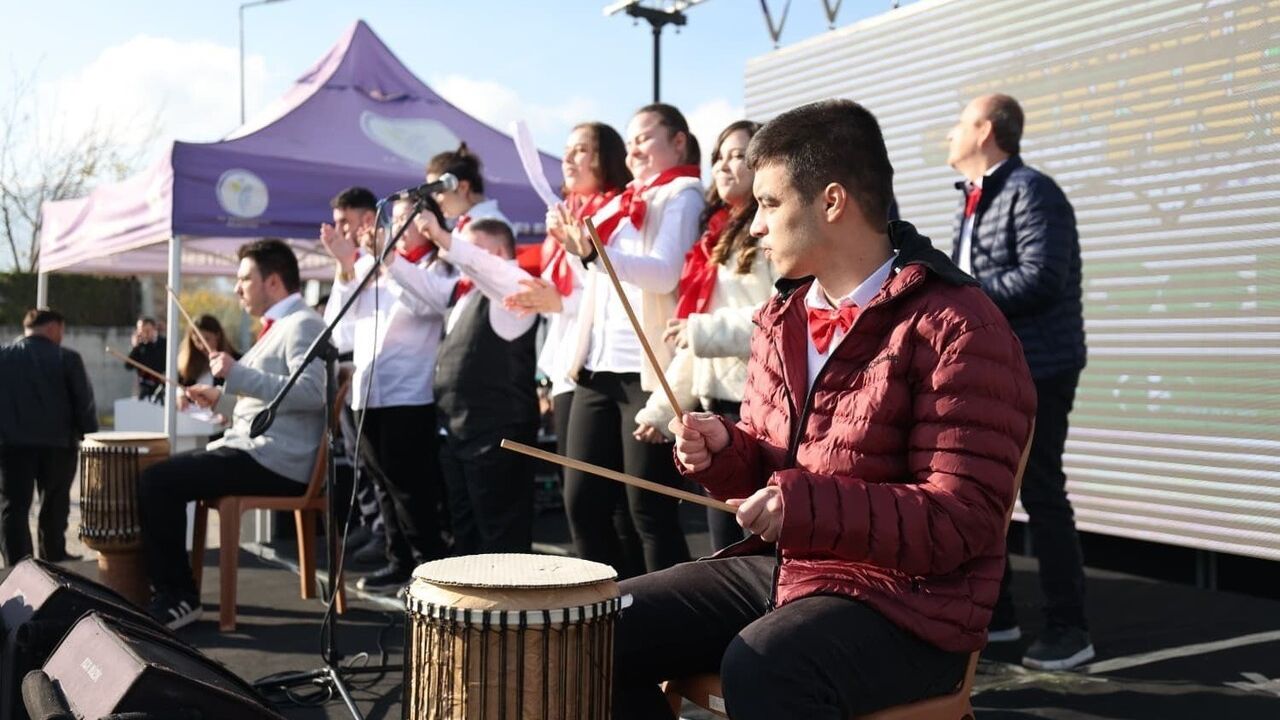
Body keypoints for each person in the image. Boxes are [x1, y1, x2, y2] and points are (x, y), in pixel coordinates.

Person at [610, 99, 1037, 719]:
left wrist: (803, 504)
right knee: (597, 624)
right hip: (792, 571)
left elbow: (960, 520)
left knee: (764, 663)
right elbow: (768, 461)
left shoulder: (959, 325)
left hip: (911, 602)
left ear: (832, 202)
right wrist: (727, 450)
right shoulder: (781, 316)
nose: (755, 226)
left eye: (770, 203)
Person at [946, 93, 1091, 670]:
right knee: (988, 493)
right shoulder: (976, 197)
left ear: (984, 130)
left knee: (1042, 494)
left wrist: (963, 294)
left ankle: (1069, 629)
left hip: (1041, 366)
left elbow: (1041, 277)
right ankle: (998, 619)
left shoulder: (1031, 190)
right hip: (995, 369)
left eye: (959, 123)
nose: (949, 135)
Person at [138, 239, 325, 629]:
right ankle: (170, 592)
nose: (237, 288)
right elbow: (261, 407)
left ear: (272, 282)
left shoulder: (303, 323)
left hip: (276, 459)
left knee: (157, 481)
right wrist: (219, 400)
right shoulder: (278, 327)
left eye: (244, 279)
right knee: (160, 477)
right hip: (257, 450)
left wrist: (238, 375)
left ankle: (177, 597)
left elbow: (312, 393)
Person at [555, 103, 704, 577]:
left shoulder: (683, 193)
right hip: (596, 369)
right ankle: (603, 614)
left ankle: (666, 621)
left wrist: (594, 253)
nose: (635, 147)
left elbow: (665, 275)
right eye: (631, 138)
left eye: (646, 137)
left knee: (648, 512)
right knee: (582, 503)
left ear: (678, 142)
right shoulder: (619, 201)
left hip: (646, 370)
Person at [635, 119, 776, 551]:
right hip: (717, 410)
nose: (724, 165)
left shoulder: (774, 232)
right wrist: (661, 409)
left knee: (757, 549)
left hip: (758, 408)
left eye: (739, 155)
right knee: (725, 548)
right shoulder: (716, 235)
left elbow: (779, 316)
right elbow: (698, 340)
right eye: (720, 156)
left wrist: (701, 330)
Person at [321, 190, 451, 593]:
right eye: (394, 220)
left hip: (407, 397)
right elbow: (338, 329)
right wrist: (347, 267)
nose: (399, 228)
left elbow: (424, 304)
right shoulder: (373, 269)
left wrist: (386, 263)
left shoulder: (439, 266)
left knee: (409, 490)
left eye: (409, 219)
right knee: (381, 486)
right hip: (367, 394)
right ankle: (399, 561)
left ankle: (428, 569)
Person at [392, 215, 540, 555]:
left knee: (500, 532)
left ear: (500, 252)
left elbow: (497, 275)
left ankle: (506, 606)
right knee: (465, 529)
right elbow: (424, 287)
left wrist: (445, 239)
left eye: (472, 249)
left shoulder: (514, 287)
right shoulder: (465, 294)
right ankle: (475, 606)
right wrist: (387, 257)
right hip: (458, 431)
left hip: (496, 432)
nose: (461, 256)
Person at [505, 122, 632, 463]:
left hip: (599, 359)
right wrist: (540, 298)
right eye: (565, 152)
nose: (568, 160)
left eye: (580, 150)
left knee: (600, 488)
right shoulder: (566, 211)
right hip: (565, 357)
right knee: (575, 483)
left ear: (605, 157)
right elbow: (561, 291)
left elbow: (612, 290)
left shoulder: (619, 211)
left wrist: (561, 302)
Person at [0, 309, 98, 566]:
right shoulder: (67, 358)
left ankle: (18, 564)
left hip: (11, 445)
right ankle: (53, 556)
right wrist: (89, 432)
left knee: (13, 507)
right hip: (58, 445)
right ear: (54, 328)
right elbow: (83, 400)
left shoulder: (3, 357)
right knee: (55, 503)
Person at [426, 143, 510, 230]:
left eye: (438, 191)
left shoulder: (492, 225)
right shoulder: (467, 222)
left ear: (463, 187)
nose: (435, 200)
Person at [176, 314, 240, 388]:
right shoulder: (188, 364)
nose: (202, 345)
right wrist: (180, 394)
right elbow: (180, 385)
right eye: (197, 341)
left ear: (218, 336)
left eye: (206, 339)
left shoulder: (236, 361)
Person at [125, 316, 165, 400]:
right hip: (144, 388)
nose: (144, 334)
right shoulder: (139, 347)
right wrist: (134, 347)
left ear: (154, 330)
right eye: (141, 331)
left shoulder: (164, 344)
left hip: (161, 387)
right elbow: (128, 366)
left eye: (147, 331)